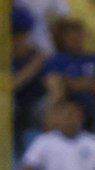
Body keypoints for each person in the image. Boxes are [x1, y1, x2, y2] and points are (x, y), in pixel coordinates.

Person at [42, 16, 95, 135]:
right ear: (62, 39)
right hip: (69, 104)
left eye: (78, 34)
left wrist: (73, 83)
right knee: (49, 105)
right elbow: (55, 85)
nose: (76, 38)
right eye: (70, 36)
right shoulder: (56, 61)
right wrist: (93, 83)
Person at [12, 6, 48, 148]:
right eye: (13, 34)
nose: (16, 38)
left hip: (34, 109)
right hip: (11, 108)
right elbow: (8, 87)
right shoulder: (4, 58)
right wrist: (33, 67)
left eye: (20, 33)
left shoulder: (37, 55)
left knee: (45, 106)